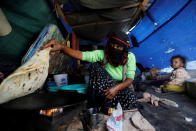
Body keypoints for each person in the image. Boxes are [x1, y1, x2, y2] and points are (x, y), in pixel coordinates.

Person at [44, 32, 151, 110]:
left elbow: (129, 79)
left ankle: (109, 104)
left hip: (120, 87)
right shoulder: (102, 53)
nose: (114, 48)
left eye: (118, 47)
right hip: (104, 88)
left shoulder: (130, 57)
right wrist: (62, 47)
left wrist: (116, 88)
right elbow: (81, 55)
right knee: (95, 67)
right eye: (112, 45)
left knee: (131, 100)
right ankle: (96, 105)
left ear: (124, 49)